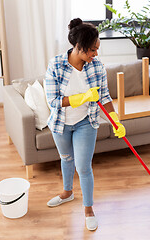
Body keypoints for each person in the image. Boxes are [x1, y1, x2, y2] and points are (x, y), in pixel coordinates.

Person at [44, 18, 126, 231]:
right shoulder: (56, 65)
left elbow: (105, 96)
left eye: (97, 49)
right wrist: (81, 98)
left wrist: (115, 120)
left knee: (83, 167)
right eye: (92, 50)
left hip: (85, 123)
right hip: (61, 123)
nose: (95, 54)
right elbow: (52, 101)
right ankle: (67, 193)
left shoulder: (97, 66)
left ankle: (88, 209)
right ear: (78, 47)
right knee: (66, 158)